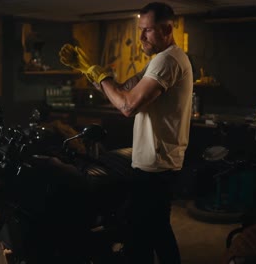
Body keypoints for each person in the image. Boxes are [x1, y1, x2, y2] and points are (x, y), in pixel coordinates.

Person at [59, 2, 193, 263]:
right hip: (155, 163)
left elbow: (128, 106)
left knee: (146, 233)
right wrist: (89, 70)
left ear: (167, 29)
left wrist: (99, 76)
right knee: (151, 230)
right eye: (140, 30)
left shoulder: (168, 60)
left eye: (148, 30)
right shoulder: (160, 60)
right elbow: (122, 90)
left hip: (156, 166)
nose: (141, 37)